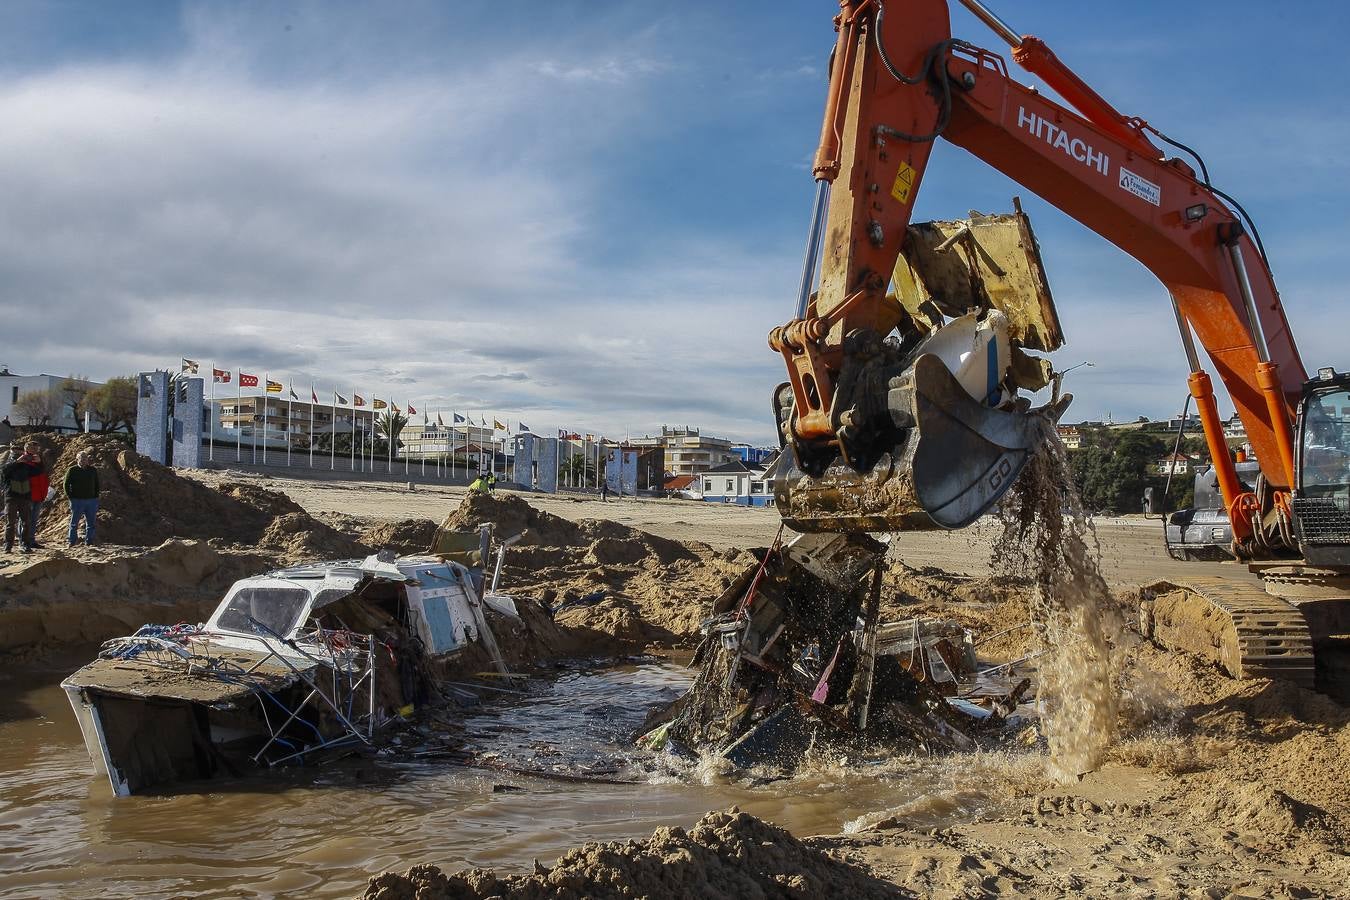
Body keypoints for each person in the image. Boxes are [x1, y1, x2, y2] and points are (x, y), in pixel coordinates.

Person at [2, 442, 39, 553]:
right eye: (15, 449)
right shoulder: (8, 462)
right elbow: (4, 471)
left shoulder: (27, 464)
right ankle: (8, 544)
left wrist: (38, 462)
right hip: (11, 496)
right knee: (10, 523)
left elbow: (38, 472)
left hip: (25, 496)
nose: (17, 451)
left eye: (19, 449)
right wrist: (17, 461)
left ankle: (25, 544)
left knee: (26, 522)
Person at [65, 449, 100, 546]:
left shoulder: (93, 470)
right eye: (81, 458)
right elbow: (66, 484)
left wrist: (96, 497)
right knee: (74, 523)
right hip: (77, 500)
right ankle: (72, 541)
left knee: (91, 523)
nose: (83, 460)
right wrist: (70, 497)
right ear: (77, 459)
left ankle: (89, 541)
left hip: (91, 501)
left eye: (85, 458)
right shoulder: (72, 470)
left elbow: (97, 484)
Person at [24, 443, 48, 548]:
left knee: (34, 520)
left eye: (36, 448)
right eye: (32, 448)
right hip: (28, 495)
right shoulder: (24, 461)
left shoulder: (39, 462)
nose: (34, 450)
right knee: (25, 519)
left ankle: (31, 540)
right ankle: (24, 541)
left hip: (39, 494)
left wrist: (40, 463)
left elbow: (43, 476)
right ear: (27, 449)